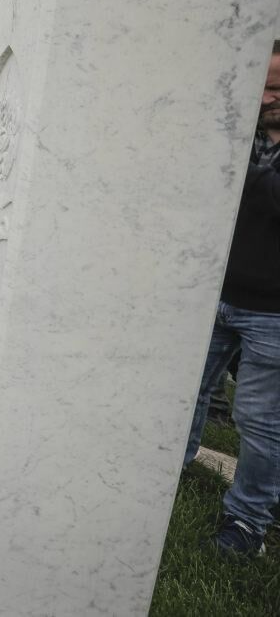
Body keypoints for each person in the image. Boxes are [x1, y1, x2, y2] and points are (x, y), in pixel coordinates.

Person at [182, 41, 280, 556]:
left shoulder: (255, 149)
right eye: (259, 85)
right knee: (184, 393)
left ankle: (248, 522)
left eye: (276, 89)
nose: (264, 98)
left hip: (273, 312)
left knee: (259, 420)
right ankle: (170, 470)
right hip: (215, 295)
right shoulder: (246, 138)